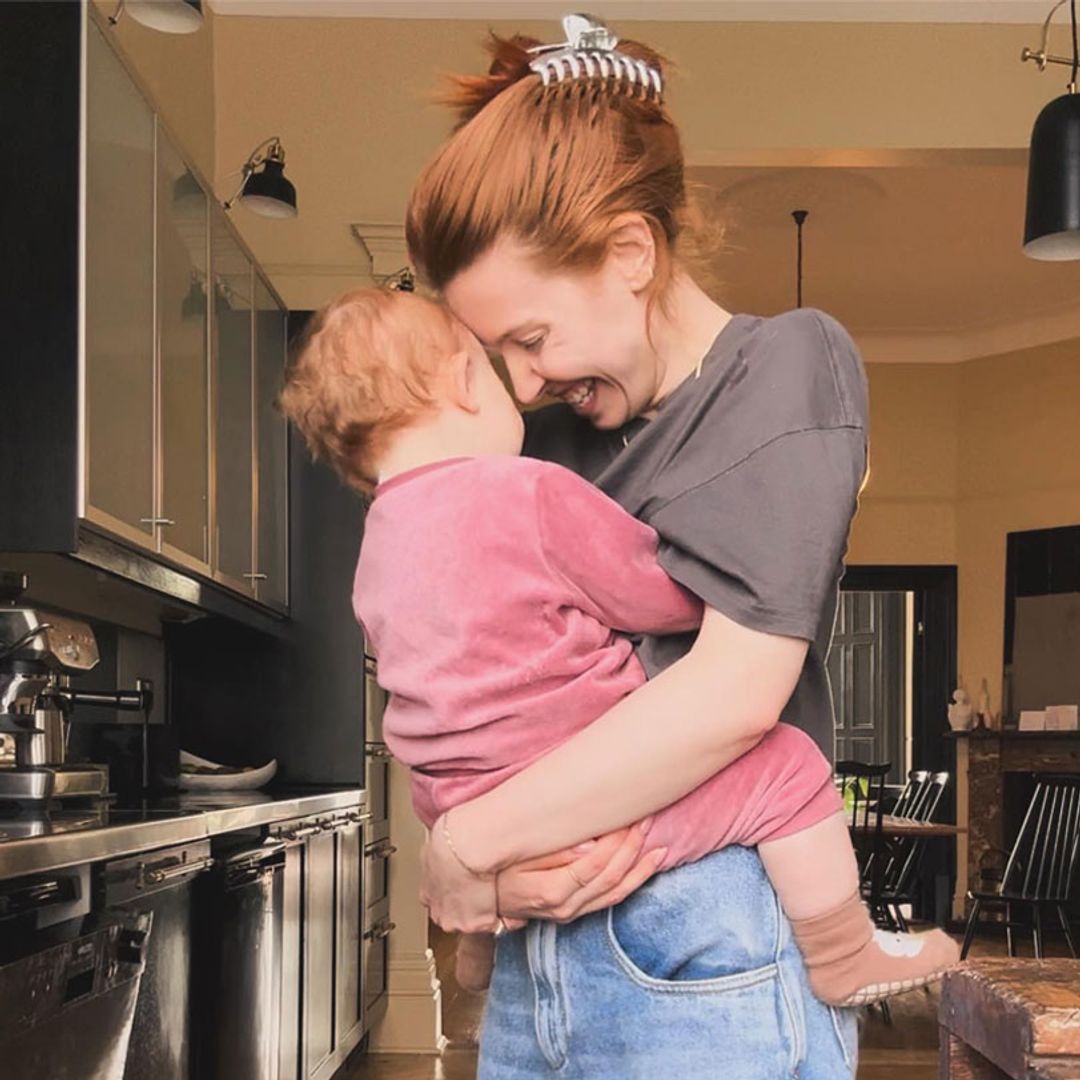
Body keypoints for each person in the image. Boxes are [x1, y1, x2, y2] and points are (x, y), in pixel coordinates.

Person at [279, 287, 957, 1009]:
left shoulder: (376, 546)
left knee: (446, 744)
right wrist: (710, 570)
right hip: (587, 800)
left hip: (460, 805)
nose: (525, 384)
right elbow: (653, 595)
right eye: (499, 358)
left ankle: (475, 947)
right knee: (788, 768)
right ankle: (846, 951)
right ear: (462, 379)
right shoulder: (528, 492)